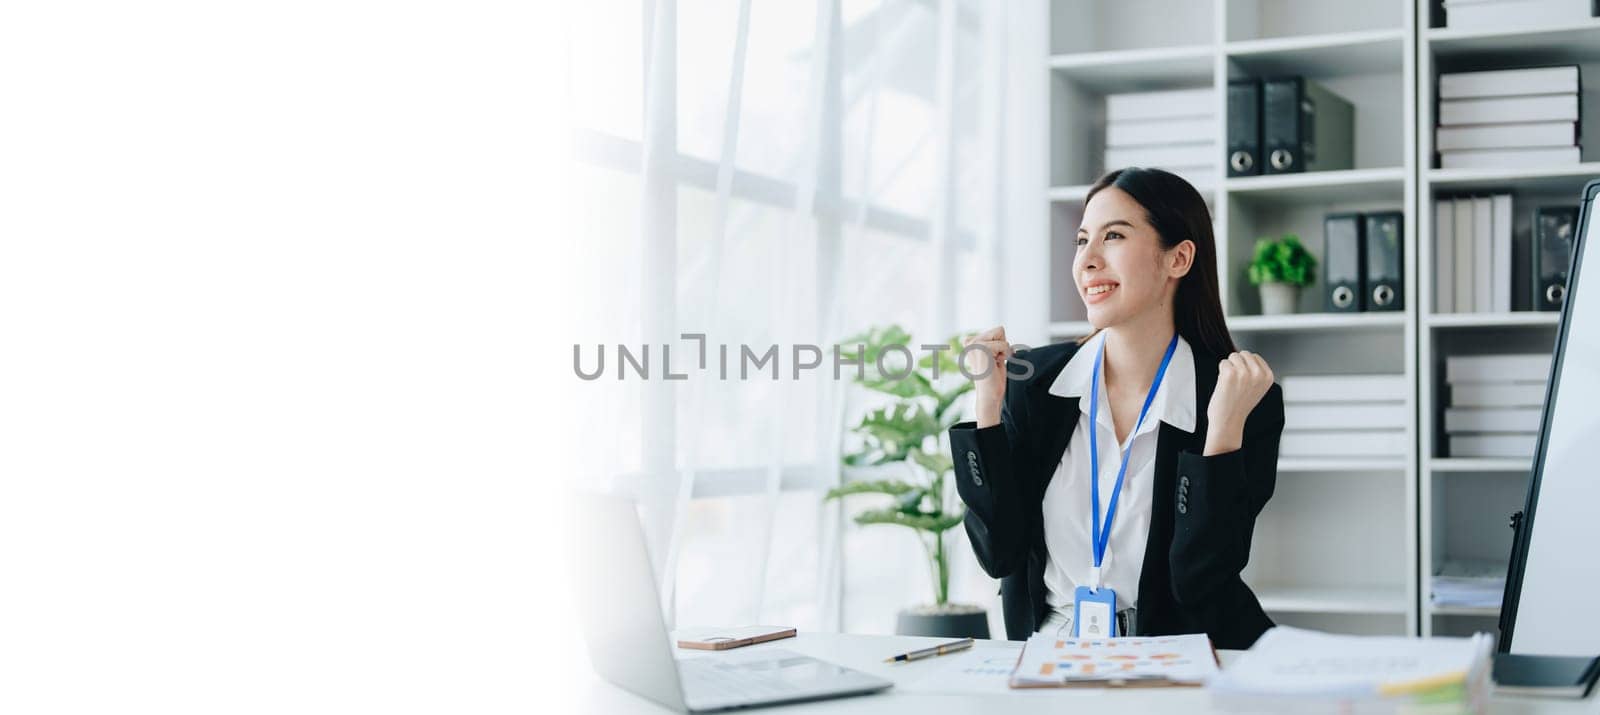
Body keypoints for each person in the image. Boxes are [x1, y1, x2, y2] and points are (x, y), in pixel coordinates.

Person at [949, 167, 1282, 649]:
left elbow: (1201, 580)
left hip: (1184, 655)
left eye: (1114, 236)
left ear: (1179, 259)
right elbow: (998, 554)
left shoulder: (1240, 396)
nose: (1088, 259)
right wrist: (988, 407)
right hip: (1055, 650)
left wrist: (1222, 434)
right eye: (1082, 241)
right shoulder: (1035, 385)